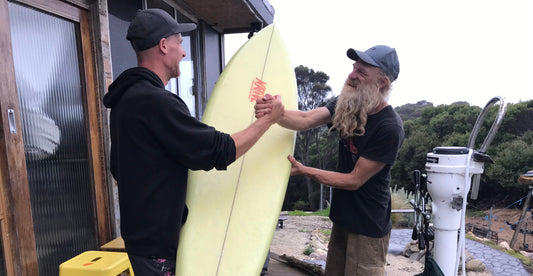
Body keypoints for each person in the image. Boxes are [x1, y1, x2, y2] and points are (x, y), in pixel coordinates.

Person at [103, 8, 284, 275]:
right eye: (180, 42)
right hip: (157, 248)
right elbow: (220, 150)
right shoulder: (156, 103)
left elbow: (118, 168)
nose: (184, 51)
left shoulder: (125, 101)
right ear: (163, 46)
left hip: (141, 239)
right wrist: (267, 121)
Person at [256, 45, 404, 275]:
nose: (352, 75)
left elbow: (354, 180)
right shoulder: (348, 103)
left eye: (362, 72)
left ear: (382, 82)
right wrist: (275, 113)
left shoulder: (389, 127)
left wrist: (306, 171)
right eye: (354, 68)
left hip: (368, 227)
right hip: (342, 218)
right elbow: (306, 119)